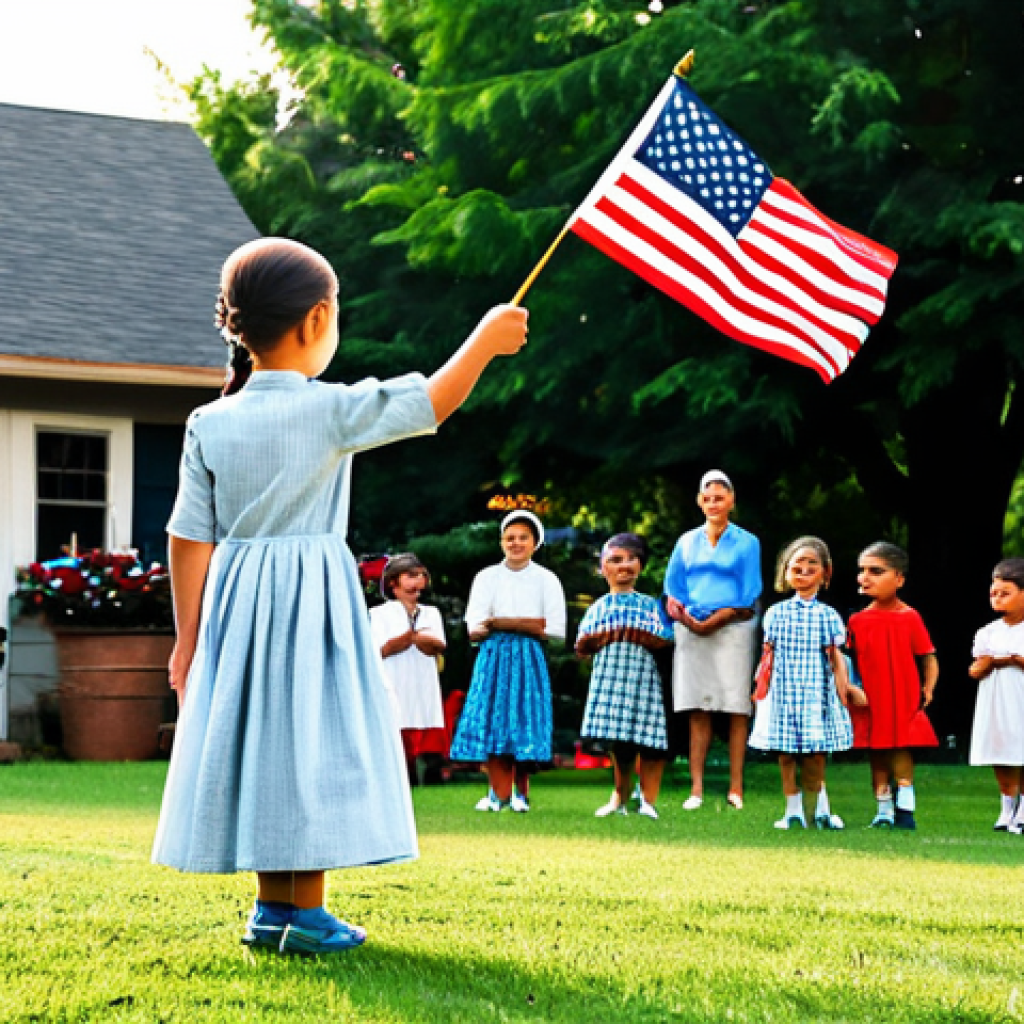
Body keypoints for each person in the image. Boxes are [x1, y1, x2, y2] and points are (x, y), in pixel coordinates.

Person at [151, 237, 528, 955]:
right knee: (311, 747)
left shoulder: (211, 422)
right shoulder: (329, 409)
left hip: (235, 607)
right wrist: (483, 341)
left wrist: (187, 638)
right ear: (317, 319)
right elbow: (431, 402)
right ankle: (303, 912)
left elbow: (187, 539)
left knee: (266, 748)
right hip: (309, 606)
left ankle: (275, 910)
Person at [450, 510, 566, 812]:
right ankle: (497, 793)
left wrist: (502, 622)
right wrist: (519, 623)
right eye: (510, 538)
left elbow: (552, 628)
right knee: (493, 719)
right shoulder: (487, 577)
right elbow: (475, 627)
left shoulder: (546, 579)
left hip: (528, 656)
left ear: (535, 543)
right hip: (494, 656)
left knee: (524, 719)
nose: (516, 544)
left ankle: (520, 793)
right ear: (502, 542)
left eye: (523, 538)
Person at [663, 470, 761, 811]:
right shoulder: (686, 541)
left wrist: (721, 616)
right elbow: (672, 588)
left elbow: (750, 591)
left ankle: (736, 787)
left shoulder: (747, 542)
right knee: (698, 706)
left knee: (736, 706)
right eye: (708, 497)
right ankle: (697, 788)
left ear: (732, 501)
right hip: (692, 628)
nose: (714, 503)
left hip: (734, 627)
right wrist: (685, 616)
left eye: (720, 497)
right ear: (699, 501)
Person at [748, 537, 852, 830]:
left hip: (815, 692)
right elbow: (767, 656)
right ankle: (792, 810)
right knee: (786, 753)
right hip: (783, 692)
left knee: (815, 753)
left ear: (825, 573)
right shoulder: (775, 613)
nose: (804, 571)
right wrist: (760, 691)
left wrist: (844, 691)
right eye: (797, 566)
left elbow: (835, 658)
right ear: (786, 572)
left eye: (811, 565)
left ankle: (820, 810)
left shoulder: (828, 616)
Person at [576, 533, 674, 819]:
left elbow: (665, 637)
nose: (624, 566)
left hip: (644, 681)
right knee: (619, 743)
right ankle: (620, 795)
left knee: (651, 741)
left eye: (631, 559)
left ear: (640, 565)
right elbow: (583, 644)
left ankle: (649, 801)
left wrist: (631, 635)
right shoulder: (598, 608)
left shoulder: (651, 606)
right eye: (615, 560)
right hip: (610, 682)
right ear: (603, 568)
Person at [847, 541, 939, 830]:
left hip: (902, 694)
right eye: (862, 571)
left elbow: (928, 657)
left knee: (901, 747)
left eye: (876, 571)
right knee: (877, 750)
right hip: (870, 696)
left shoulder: (909, 617)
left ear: (898, 578)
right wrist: (850, 687)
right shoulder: (857, 620)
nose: (866, 577)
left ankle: (906, 806)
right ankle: (883, 808)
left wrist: (929, 688)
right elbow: (845, 660)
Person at [369, 553, 447, 785]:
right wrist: (413, 636)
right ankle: (404, 777)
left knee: (425, 724)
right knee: (396, 724)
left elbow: (437, 645)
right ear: (393, 582)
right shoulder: (379, 614)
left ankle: (431, 774)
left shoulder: (431, 613)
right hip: (394, 679)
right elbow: (383, 649)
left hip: (423, 681)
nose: (417, 581)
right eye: (410, 576)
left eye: (421, 575)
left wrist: (413, 639)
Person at [968, 558, 1024, 834]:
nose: (998, 599)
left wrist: (1011, 660)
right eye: (994, 593)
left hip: (1020, 696)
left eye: (1006, 593)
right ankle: (1007, 806)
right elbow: (976, 669)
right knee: (1001, 750)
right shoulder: (988, 632)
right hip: (997, 699)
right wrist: (984, 664)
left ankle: (1023, 808)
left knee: (1021, 746)